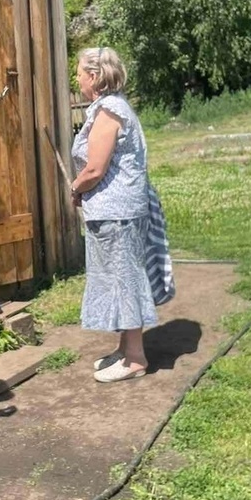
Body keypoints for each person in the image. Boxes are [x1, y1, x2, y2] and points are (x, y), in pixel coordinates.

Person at [71, 47, 157, 382]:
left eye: (79, 72)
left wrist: (76, 188)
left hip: (118, 212)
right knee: (119, 278)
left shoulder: (109, 109)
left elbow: (94, 168)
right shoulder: (110, 107)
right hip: (116, 210)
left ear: (94, 77)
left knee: (123, 280)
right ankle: (125, 349)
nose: (77, 78)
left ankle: (135, 359)